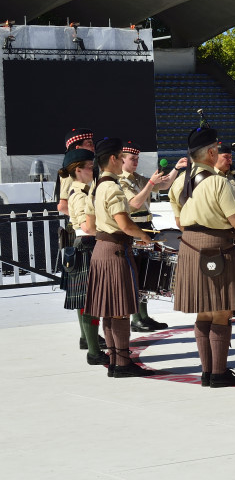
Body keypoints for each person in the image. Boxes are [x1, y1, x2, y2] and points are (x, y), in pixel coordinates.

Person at [170, 126, 235, 387]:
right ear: (211, 153)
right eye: (217, 149)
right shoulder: (218, 182)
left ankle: (207, 372)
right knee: (221, 313)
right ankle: (219, 373)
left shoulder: (180, 183)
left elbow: (178, 220)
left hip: (189, 245)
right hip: (217, 247)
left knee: (203, 313)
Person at [85, 137, 157, 378]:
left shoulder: (95, 186)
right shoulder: (113, 187)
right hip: (116, 251)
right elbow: (125, 224)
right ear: (114, 159)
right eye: (120, 157)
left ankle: (116, 361)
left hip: (100, 249)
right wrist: (144, 237)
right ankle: (123, 363)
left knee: (108, 309)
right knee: (121, 310)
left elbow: (90, 225)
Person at [119, 140, 182, 332]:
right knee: (136, 273)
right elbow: (135, 204)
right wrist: (151, 184)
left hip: (147, 225)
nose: (136, 162)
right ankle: (136, 317)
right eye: (132, 159)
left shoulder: (137, 178)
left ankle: (144, 316)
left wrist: (176, 169)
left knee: (146, 273)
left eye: (137, 158)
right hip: (134, 227)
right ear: (122, 160)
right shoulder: (121, 181)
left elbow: (164, 186)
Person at [60, 147, 107, 366]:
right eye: (90, 167)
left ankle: (89, 342)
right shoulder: (79, 194)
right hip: (86, 245)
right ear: (78, 170)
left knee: (88, 300)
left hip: (88, 245)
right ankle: (94, 351)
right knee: (90, 301)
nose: (94, 170)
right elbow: (87, 227)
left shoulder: (87, 189)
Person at [57, 128, 94, 215]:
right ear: (78, 148)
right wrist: (82, 220)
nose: (93, 147)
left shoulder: (87, 168)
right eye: (89, 144)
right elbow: (62, 206)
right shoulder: (71, 172)